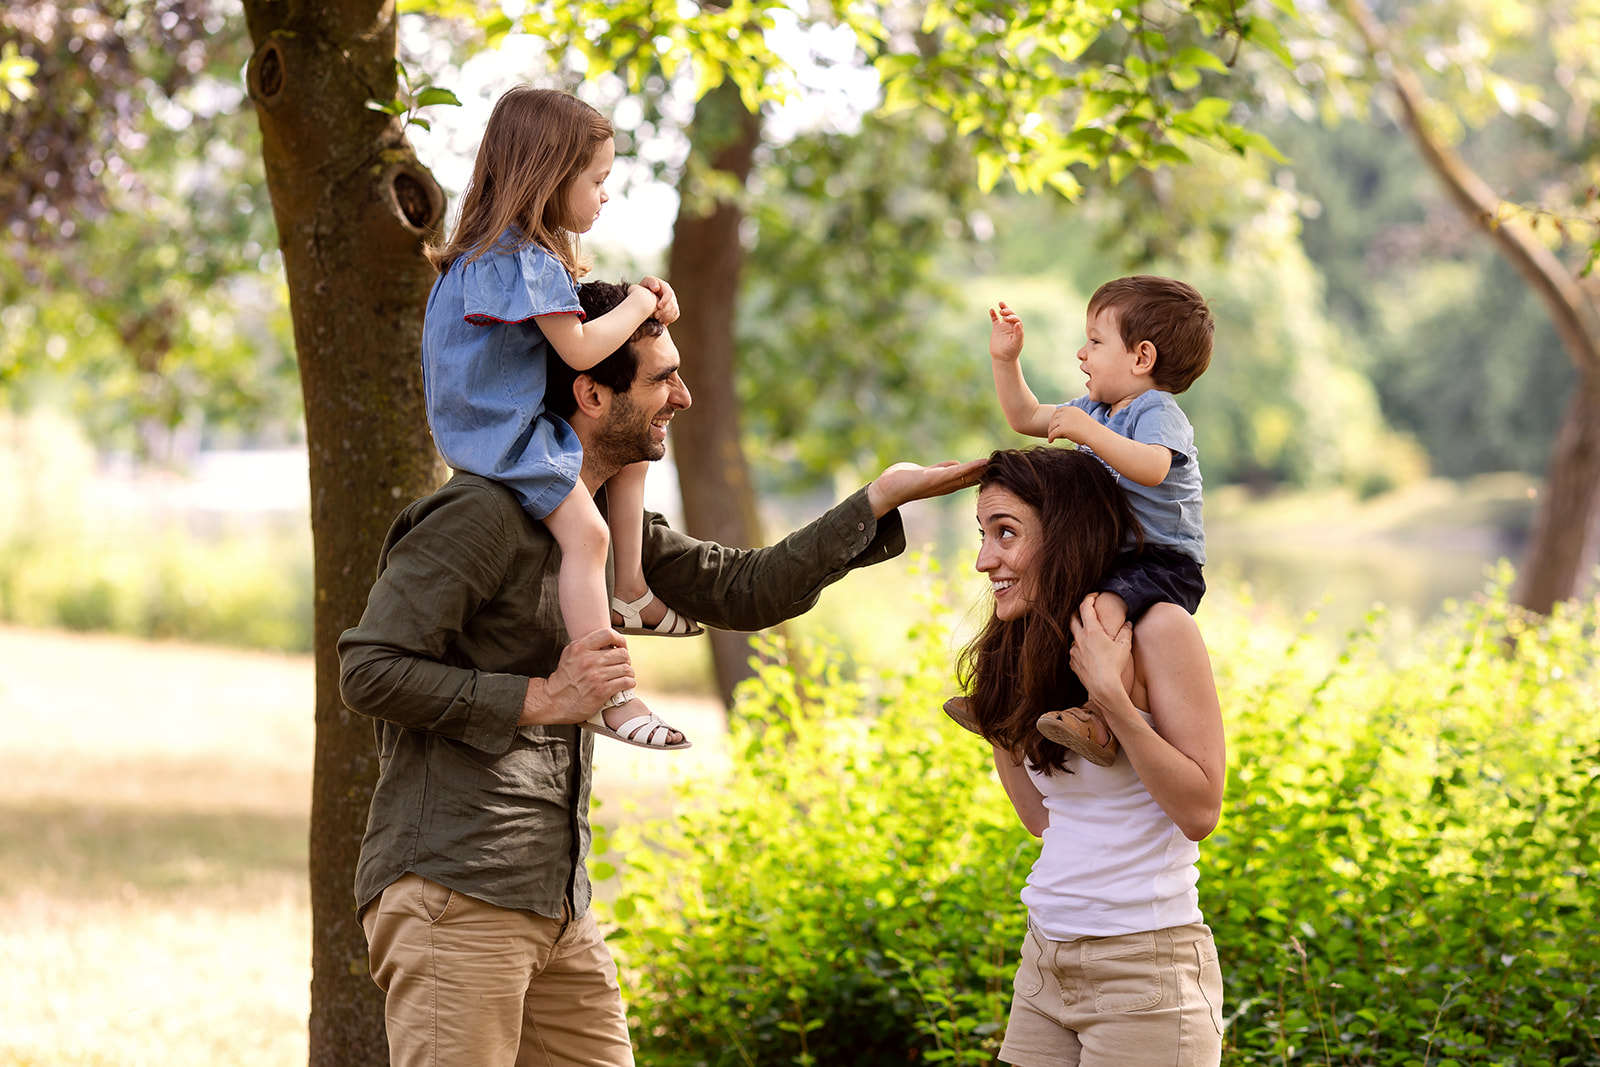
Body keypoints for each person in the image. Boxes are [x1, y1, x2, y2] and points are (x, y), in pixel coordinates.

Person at [340, 278, 986, 1067]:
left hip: (555, 901)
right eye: (662, 378)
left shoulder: (610, 529)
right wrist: (542, 697)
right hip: (455, 893)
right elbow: (369, 667)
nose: (683, 395)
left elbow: (742, 589)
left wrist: (878, 499)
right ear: (590, 390)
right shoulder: (481, 514)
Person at [421, 85, 690, 750]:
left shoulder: (488, 256)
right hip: (504, 435)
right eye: (597, 180)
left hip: (491, 419)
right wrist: (634, 305)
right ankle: (610, 694)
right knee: (586, 537)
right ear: (550, 174)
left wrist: (639, 309)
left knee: (630, 447)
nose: (604, 195)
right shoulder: (526, 260)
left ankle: (629, 589)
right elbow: (577, 347)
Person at [955, 446, 1227, 1067]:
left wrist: (1114, 703)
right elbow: (1046, 821)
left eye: (1006, 534)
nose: (983, 560)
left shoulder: (1161, 630)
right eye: (982, 534)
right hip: (1046, 961)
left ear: (1067, 536)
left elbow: (1201, 811)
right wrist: (1003, 719)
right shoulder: (1023, 641)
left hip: (1145, 972)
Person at [984, 276, 1213, 766]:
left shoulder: (1156, 410)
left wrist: (1089, 433)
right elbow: (1025, 416)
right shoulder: (1097, 410)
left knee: (1100, 614)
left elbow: (1152, 467)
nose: (1081, 354)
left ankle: (1100, 720)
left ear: (1141, 358)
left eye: (1094, 340)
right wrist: (1007, 360)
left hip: (1163, 559)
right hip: (1117, 554)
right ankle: (1003, 706)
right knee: (1043, 605)